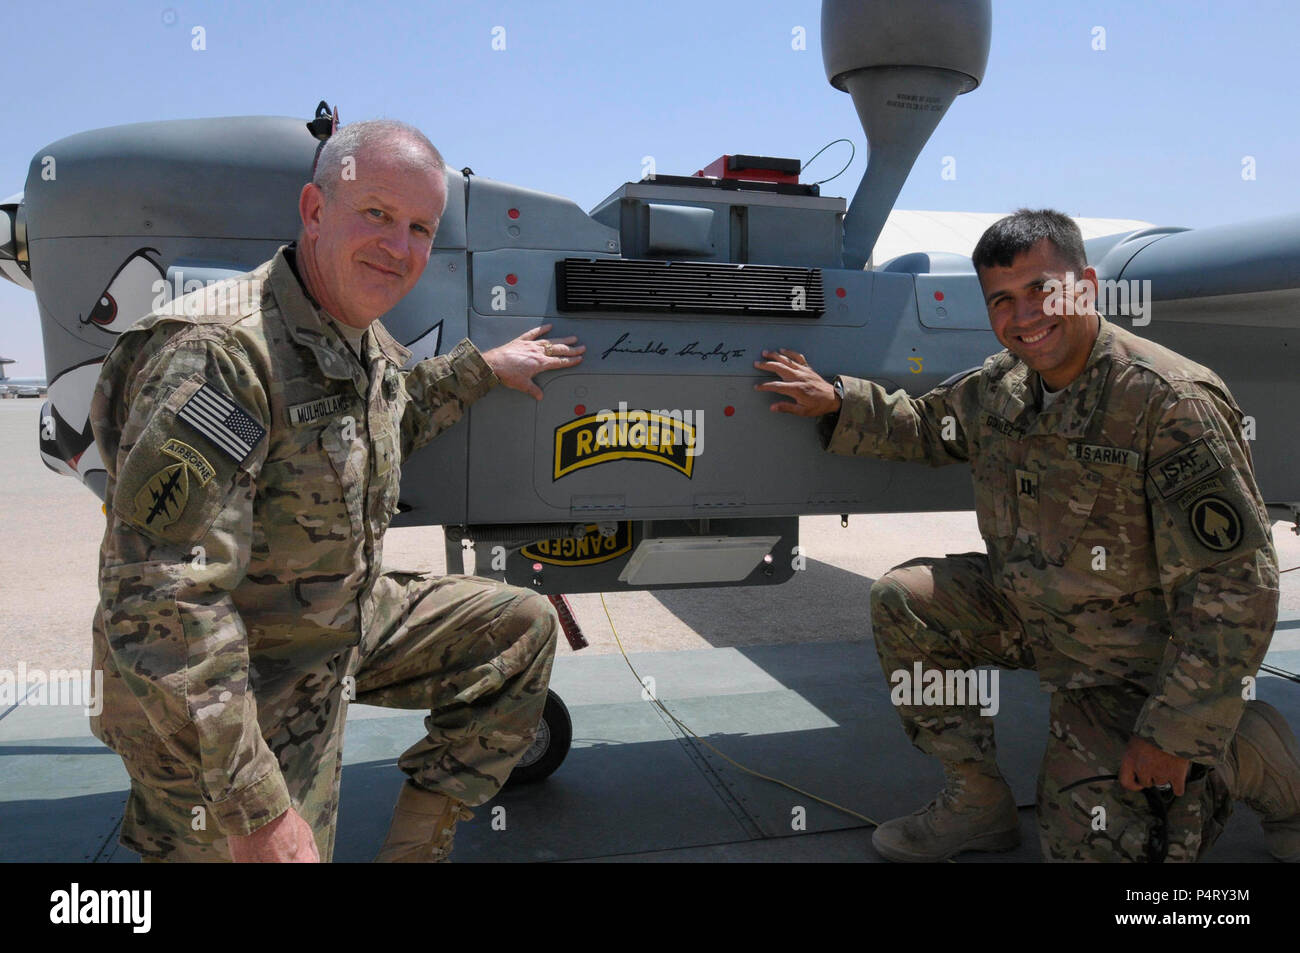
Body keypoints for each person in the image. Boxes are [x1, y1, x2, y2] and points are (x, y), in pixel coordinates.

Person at [90, 118, 585, 862]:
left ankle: (414, 847)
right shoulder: (222, 355)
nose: (401, 247)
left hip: (332, 621)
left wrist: (486, 366)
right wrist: (258, 811)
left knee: (517, 625)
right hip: (231, 680)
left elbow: (392, 414)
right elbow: (160, 595)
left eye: (421, 227)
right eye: (378, 215)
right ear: (315, 211)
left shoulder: (361, 340)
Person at [755, 208, 1300, 862]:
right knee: (906, 600)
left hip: (1134, 660)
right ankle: (975, 803)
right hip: (1035, 615)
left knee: (1096, 842)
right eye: (1002, 300)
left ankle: (1245, 753)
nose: (1024, 315)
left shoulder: (1167, 399)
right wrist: (839, 400)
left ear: (1086, 286)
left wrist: (1178, 731)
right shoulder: (1003, 387)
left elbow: (1238, 582)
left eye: (1043, 289)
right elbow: (930, 427)